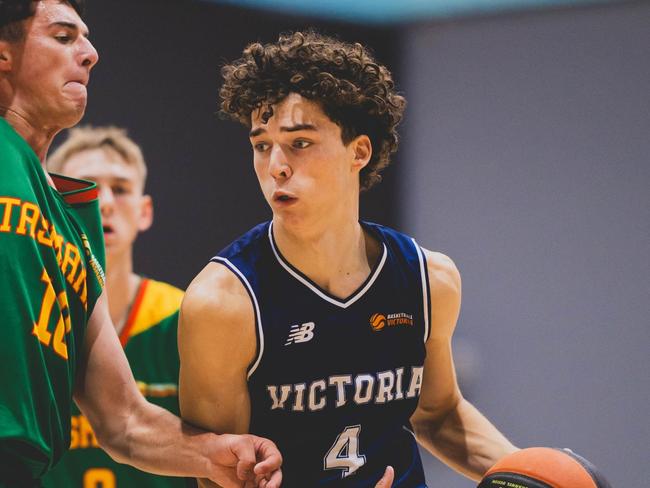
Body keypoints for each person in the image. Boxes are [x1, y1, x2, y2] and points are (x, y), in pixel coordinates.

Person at [179, 31, 518, 487]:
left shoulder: (428, 279)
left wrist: (532, 472)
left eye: (299, 143)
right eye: (262, 145)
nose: (276, 164)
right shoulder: (222, 304)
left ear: (359, 151)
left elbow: (439, 416)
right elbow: (216, 478)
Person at [0, 1, 281, 486]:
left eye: (86, 38)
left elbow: (126, 421)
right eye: (64, 36)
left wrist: (217, 453)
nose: (89, 53)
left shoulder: (71, 223)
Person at [41, 126, 193, 487]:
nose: (105, 202)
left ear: (144, 212)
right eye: (86, 188)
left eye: (121, 189)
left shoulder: (184, 316)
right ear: (53, 207)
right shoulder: (29, 313)